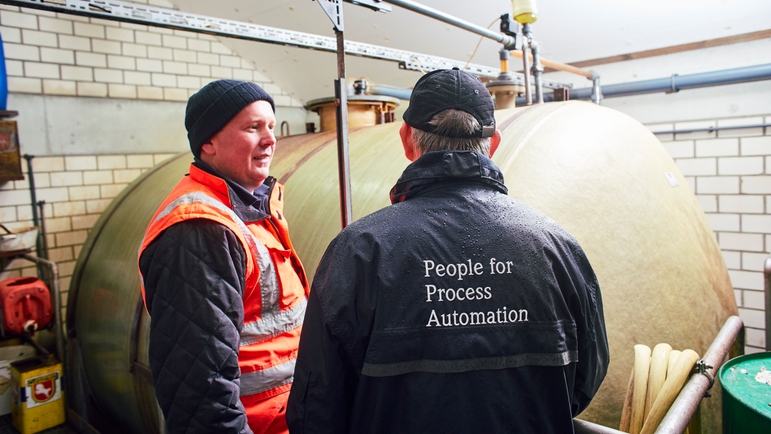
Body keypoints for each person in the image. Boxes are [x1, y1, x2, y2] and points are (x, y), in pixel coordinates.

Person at [286, 68, 609, 433]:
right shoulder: (557, 247)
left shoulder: (359, 251)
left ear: (407, 139)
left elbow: (316, 406)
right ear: (494, 143)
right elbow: (585, 377)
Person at [138, 79, 309, 434]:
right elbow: (200, 393)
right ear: (208, 143)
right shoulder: (200, 231)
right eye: (252, 127)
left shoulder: (252, 208)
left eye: (271, 127)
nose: (270, 139)